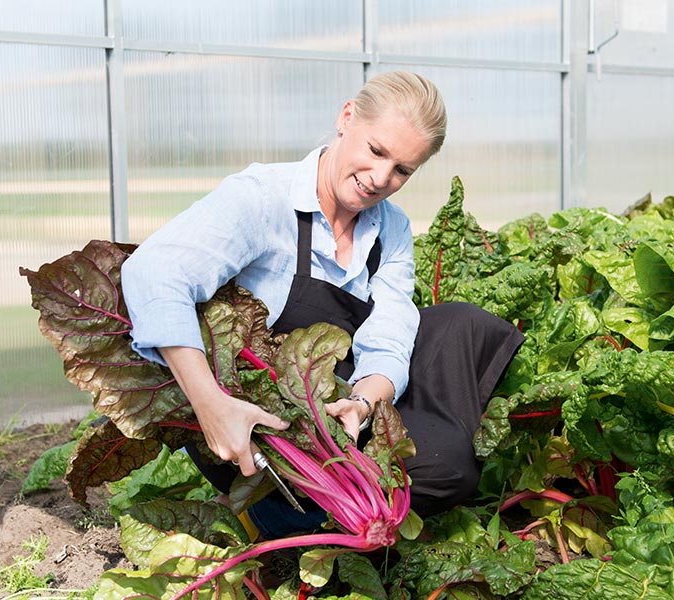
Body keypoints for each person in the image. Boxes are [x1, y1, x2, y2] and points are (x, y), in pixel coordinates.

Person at [120, 71, 524, 540]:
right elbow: (153, 273)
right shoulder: (262, 199)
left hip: (338, 410)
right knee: (436, 468)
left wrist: (361, 404)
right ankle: (277, 517)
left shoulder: (391, 229)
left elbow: (390, 336)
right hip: (264, 426)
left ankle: (357, 506)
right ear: (347, 117)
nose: (380, 179)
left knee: (461, 332)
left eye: (402, 170)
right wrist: (210, 404)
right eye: (376, 151)